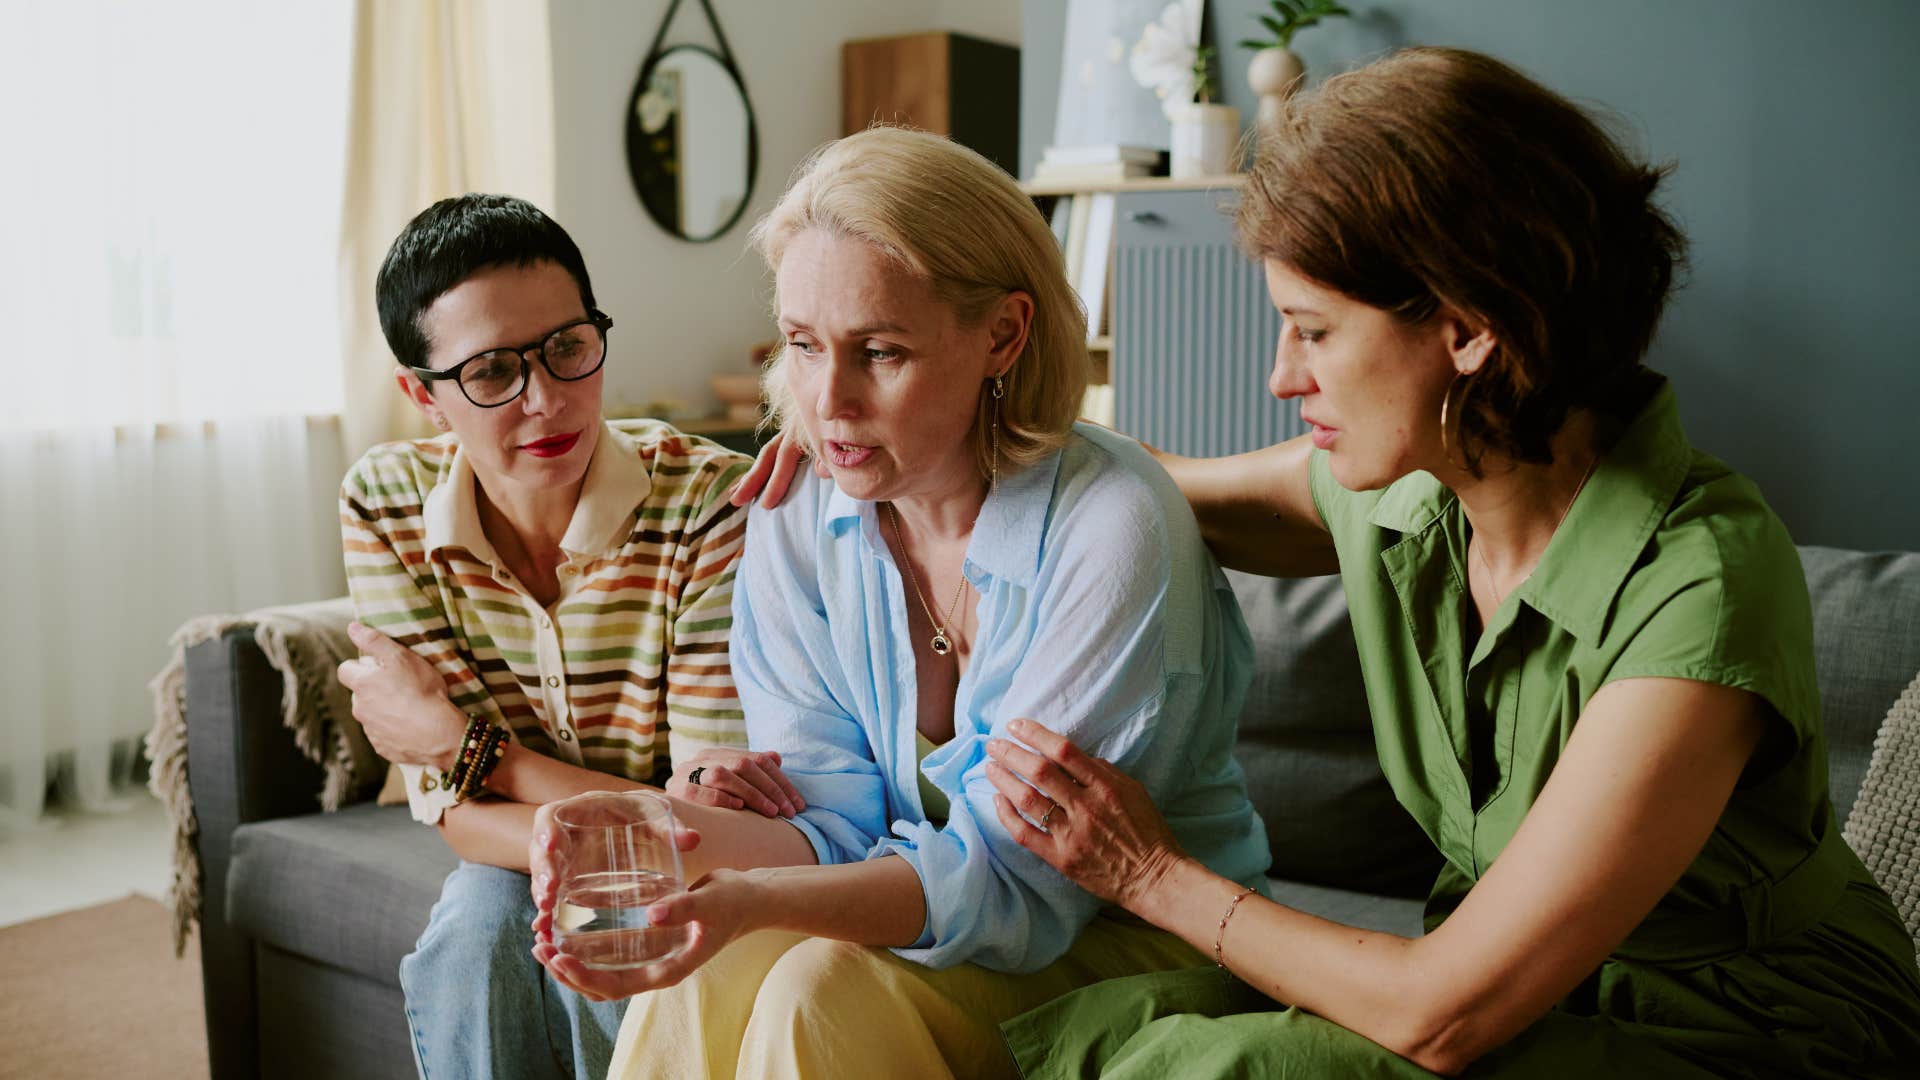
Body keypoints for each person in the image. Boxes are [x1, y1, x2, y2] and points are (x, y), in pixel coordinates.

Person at [967, 48, 1920, 1076]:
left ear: (1467, 329)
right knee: (1105, 1024)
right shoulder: (1412, 493)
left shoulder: (1704, 588)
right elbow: (1150, 486)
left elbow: (1442, 1012)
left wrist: (1149, 872)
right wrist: (930, 419)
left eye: (1313, 331)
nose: (1282, 376)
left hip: (1749, 1037)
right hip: (1521, 1004)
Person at [525, 127, 1271, 1079]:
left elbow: (1020, 887)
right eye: (803, 345)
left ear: (1003, 335)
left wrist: (753, 897)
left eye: (878, 351)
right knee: (705, 963)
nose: (827, 401)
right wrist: (663, 835)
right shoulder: (800, 512)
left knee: (817, 988)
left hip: (1134, 937)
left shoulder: (1113, 529)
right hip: (957, 915)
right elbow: (830, 819)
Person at [333, 193, 807, 1080]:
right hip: (535, 858)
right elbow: (461, 821)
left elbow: (703, 832)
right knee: (478, 922)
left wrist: (463, 746)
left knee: (619, 918)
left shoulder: (708, 503)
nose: (547, 401)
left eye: (567, 348)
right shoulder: (386, 503)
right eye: (490, 373)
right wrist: (597, 815)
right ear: (423, 396)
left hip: (692, 872)